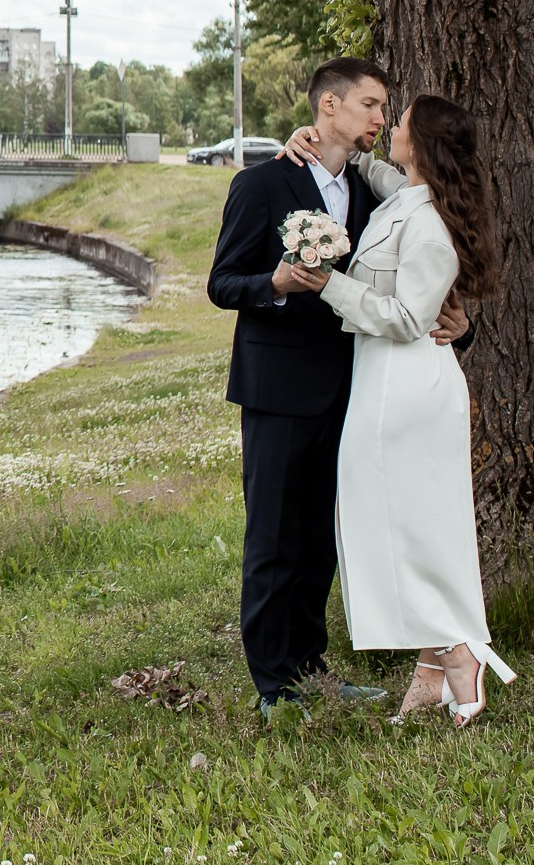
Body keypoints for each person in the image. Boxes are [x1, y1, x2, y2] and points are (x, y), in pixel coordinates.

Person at [207, 56, 471, 717]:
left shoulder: (375, 188)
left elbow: (414, 274)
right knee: (273, 541)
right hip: (276, 389)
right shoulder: (261, 185)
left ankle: (312, 668)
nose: (380, 120)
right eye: (371, 106)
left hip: (351, 390)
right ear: (329, 107)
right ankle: (273, 687)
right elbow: (222, 284)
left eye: (387, 111)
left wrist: (461, 326)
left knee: (322, 541)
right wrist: (274, 284)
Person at [285, 94, 513, 725]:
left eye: (401, 121)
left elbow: (411, 318)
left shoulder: (431, 224)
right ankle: (435, 662)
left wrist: (328, 284)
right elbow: (377, 172)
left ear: (425, 144)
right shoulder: (407, 195)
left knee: (402, 524)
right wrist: (313, 138)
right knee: (397, 521)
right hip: (383, 384)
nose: (391, 126)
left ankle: (459, 656)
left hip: (407, 391)